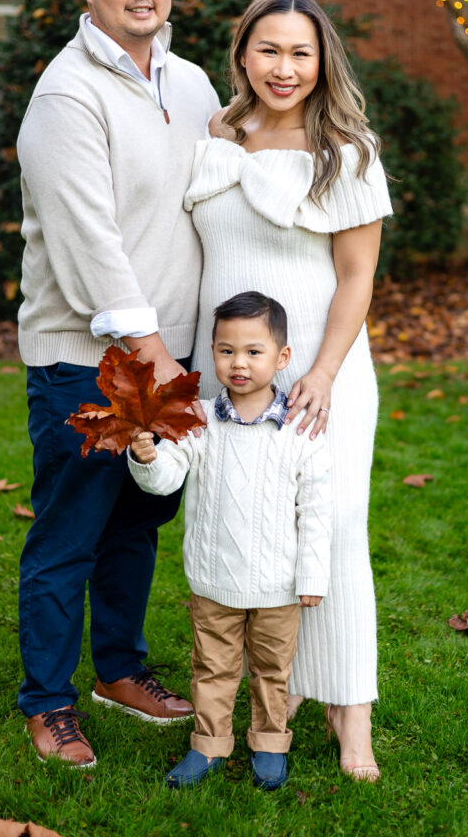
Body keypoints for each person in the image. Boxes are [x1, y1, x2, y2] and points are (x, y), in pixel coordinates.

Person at [15, 0, 220, 767]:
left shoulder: (195, 83)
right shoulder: (66, 95)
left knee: (139, 526)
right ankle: (48, 702)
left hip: (172, 356)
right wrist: (157, 357)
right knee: (70, 533)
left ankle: (121, 671)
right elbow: (90, 246)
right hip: (85, 360)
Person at [183, 0, 392, 781]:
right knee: (253, 536)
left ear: (321, 61)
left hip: (317, 373)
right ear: (241, 54)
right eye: (268, 50)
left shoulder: (347, 149)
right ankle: (288, 692)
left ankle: (352, 720)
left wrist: (323, 373)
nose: (283, 68)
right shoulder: (219, 133)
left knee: (331, 533)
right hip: (231, 373)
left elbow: (356, 277)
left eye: (300, 53)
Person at [128, 291, 331, 790]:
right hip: (214, 577)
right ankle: (209, 745)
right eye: (225, 350)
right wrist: (148, 458)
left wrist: (310, 575)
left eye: (253, 352)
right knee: (212, 669)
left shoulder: (300, 430)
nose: (238, 363)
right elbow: (168, 478)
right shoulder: (197, 420)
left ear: (282, 358)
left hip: (279, 584)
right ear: (213, 351)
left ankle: (269, 744)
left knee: (270, 672)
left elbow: (317, 510)